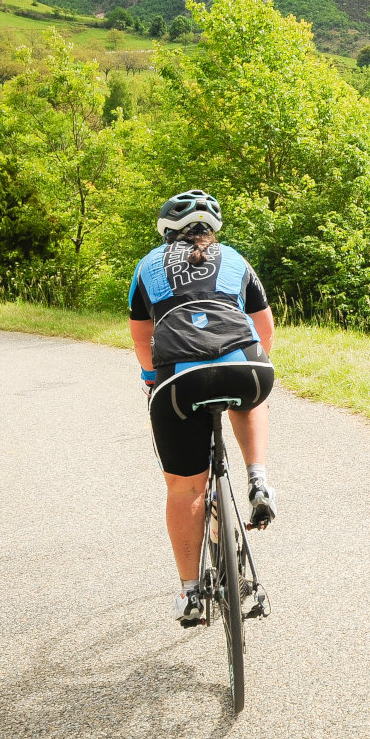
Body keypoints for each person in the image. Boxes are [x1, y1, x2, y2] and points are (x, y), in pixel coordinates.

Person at [128, 190, 277, 628]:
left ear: (166, 231)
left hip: (179, 381)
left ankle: (191, 593)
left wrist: (151, 379)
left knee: (185, 490)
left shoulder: (148, 266)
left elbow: (142, 342)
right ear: (213, 230)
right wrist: (251, 361)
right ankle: (258, 479)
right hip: (245, 370)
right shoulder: (235, 259)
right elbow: (264, 329)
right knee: (250, 380)